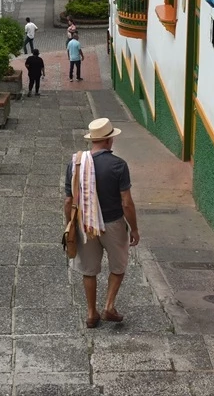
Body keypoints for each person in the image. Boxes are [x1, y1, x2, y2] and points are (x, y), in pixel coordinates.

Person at [64, 118, 139, 328]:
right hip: (113, 223)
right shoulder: (118, 165)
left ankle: (91, 313)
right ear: (108, 141)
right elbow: (127, 202)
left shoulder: (75, 164)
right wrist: (134, 228)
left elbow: (68, 200)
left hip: (84, 225)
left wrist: (69, 225)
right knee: (118, 265)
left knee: (89, 270)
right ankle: (109, 305)